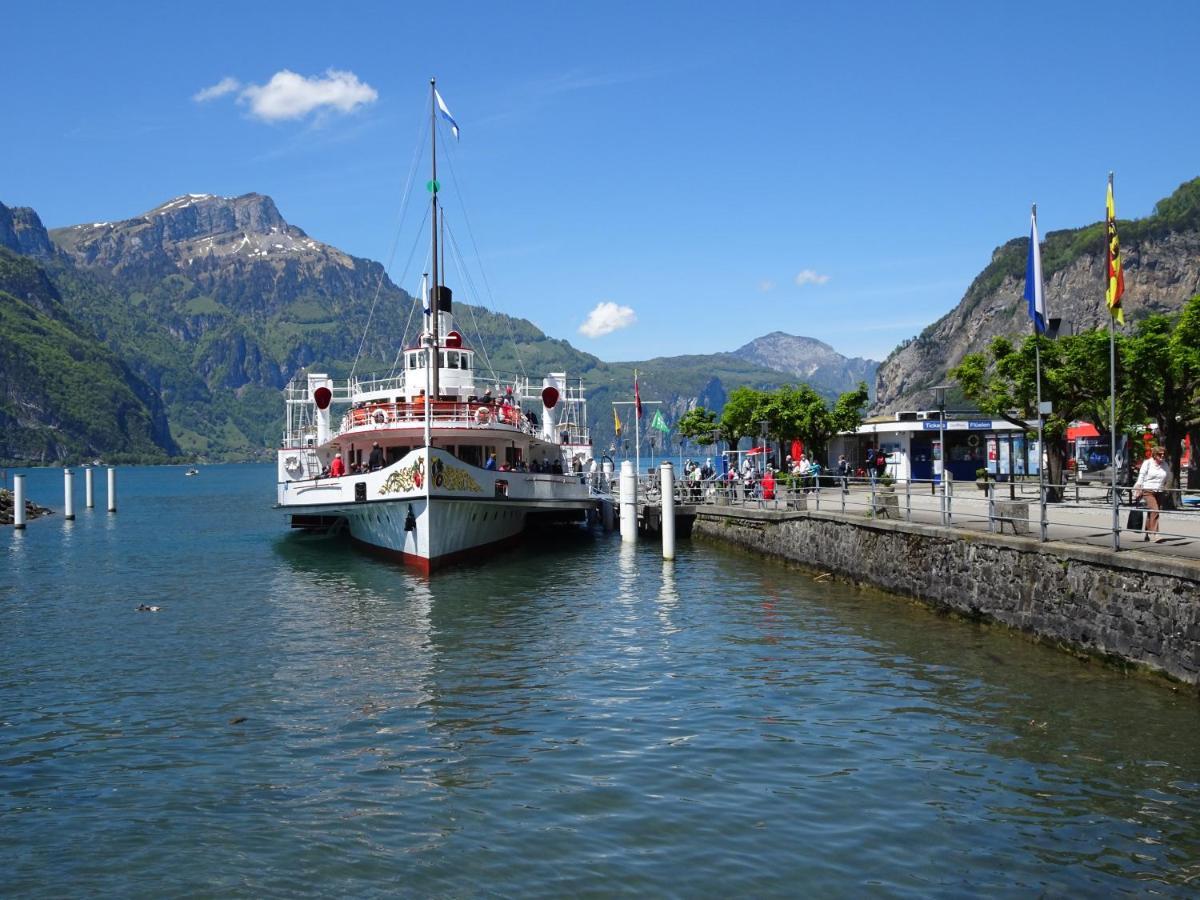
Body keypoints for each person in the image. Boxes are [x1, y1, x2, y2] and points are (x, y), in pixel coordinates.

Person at [1133, 445, 1172, 541]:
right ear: (1154, 455)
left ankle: (1147, 534)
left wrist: (1166, 486)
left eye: (1164, 454)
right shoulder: (1148, 463)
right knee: (1155, 510)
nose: (1162, 456)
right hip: (1148, 490)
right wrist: (1138, 487)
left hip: (1159, 491)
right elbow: (1141, 476)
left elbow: (1169, 476)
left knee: (1152, 512)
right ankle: (1155, 534)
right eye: (1160, 454)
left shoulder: (1165, 464)